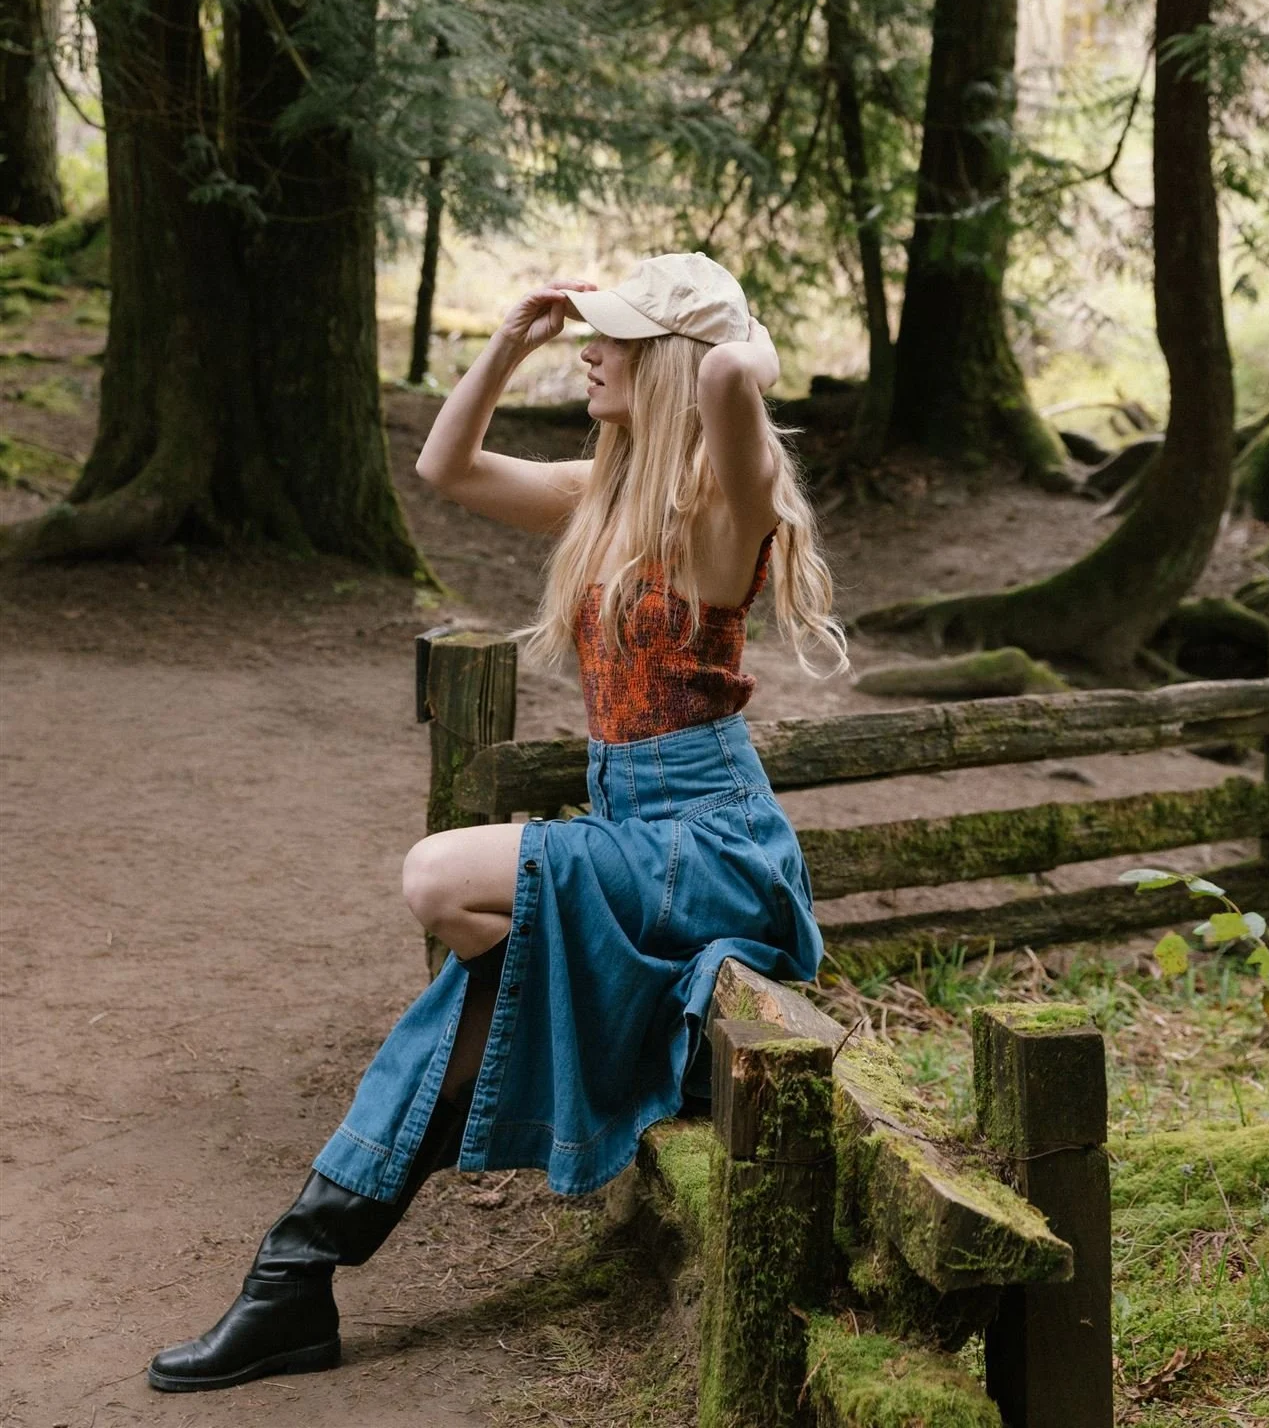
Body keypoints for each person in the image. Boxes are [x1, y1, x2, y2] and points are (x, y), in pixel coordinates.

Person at [147, 251, 847, 1393]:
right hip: (638, 833)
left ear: (669, 360)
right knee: (485, 977)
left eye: (612, 337)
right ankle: (295, 1271)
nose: (591, 350)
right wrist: (511, 339)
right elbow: (445, 464)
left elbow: (730, 371)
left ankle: (296, 1271)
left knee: (437, 878)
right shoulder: (607, 494)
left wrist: (723, 328)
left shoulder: (728, 509)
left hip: (709, 845)